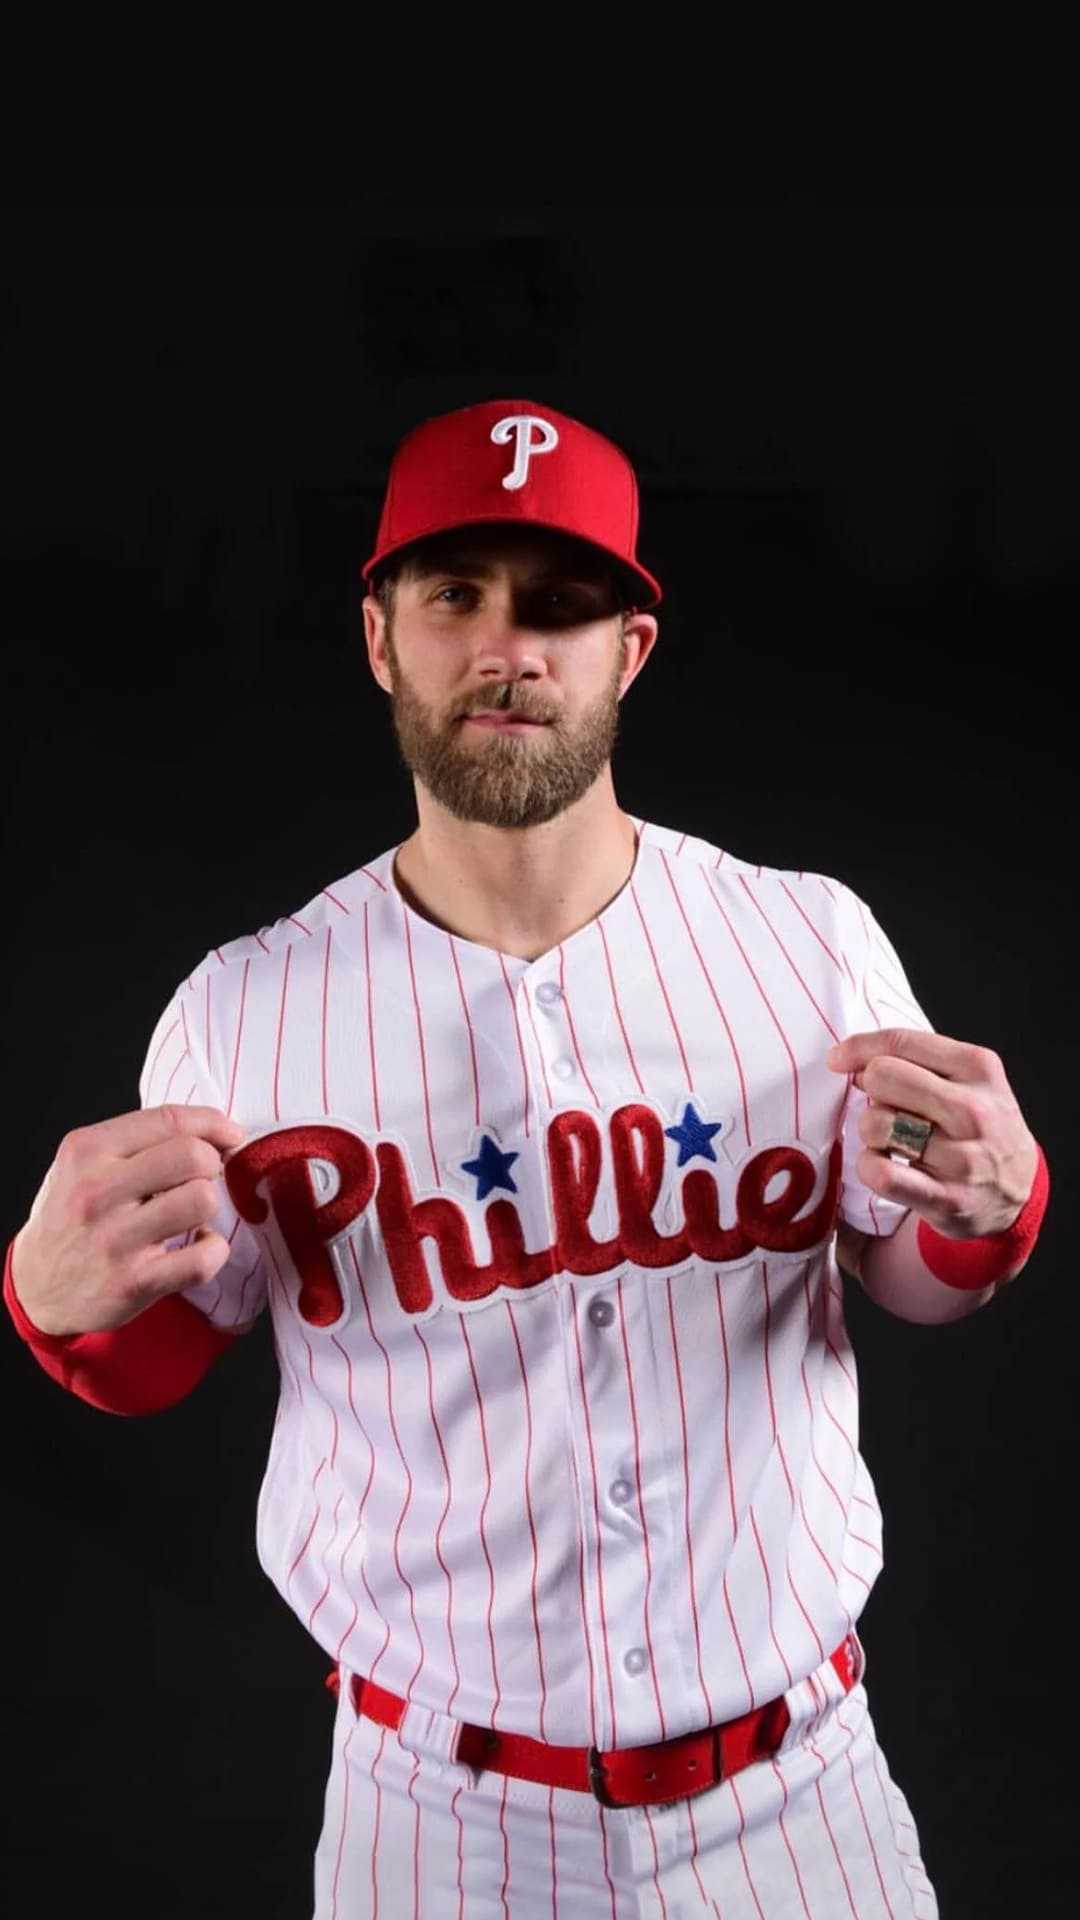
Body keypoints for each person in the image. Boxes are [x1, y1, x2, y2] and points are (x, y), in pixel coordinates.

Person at [5, 397, 1050, 1918]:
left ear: (631, 649)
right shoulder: (241, 1012)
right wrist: (50, 1309)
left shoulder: (808, 941)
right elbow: (156, 1350)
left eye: (561, 603)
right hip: (437, 1824)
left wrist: (990, 1219)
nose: (511, 647)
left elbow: (911, 1268)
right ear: (381, 637)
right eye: (457, 595)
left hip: (800, 1798)